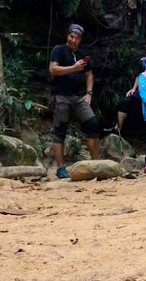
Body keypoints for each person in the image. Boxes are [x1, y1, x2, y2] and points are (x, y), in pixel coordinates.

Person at [49, 24, 100, 179]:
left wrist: (89, 93)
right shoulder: (59, 50)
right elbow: (53, 70)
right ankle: (60, 168)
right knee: (60, 131)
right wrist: (73, 68)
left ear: (80, 39)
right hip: (61, 96)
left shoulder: (83, 54)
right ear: (68, 36)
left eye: (77, 38)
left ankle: (96, 164)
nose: (73, 40)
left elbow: (89, 75)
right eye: (71, 36)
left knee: (92, 125)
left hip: (79, 98)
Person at [106, 39, 146, 135]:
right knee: (125, 102)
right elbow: (140, 75)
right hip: (144, 89)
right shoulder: (143, 61)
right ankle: (118, 128)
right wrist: (134, 88)